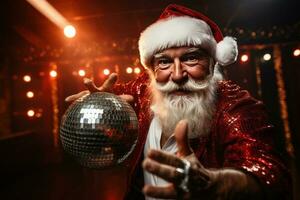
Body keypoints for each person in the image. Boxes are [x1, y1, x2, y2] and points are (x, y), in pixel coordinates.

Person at [66, 4, 291, 200]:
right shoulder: (141, 91)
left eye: (191, 57)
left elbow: (270, 171)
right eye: (164, 62)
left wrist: (217, 185)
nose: (176, 75)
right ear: (152, 71)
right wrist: (101, 102)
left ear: (213, 63)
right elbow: (117, 93)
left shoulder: (236, 107)